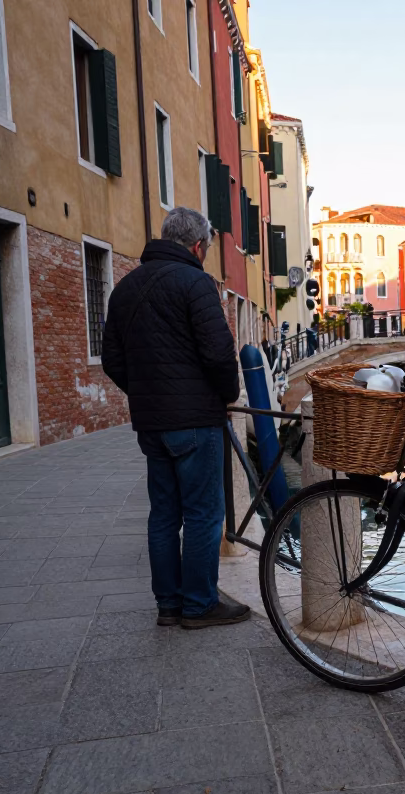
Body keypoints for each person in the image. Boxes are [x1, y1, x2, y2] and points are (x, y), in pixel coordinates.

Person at [102, 207, 250, 628]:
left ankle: (168, 604)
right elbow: (220, 353)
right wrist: (227, 394)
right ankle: (200, 604)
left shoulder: (124, 288)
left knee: (164, 513)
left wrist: (148, 394)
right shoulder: (197, 282)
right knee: (204, 512)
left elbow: (112, 358)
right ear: (199, 246)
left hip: (152, 424)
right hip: (196, 421)